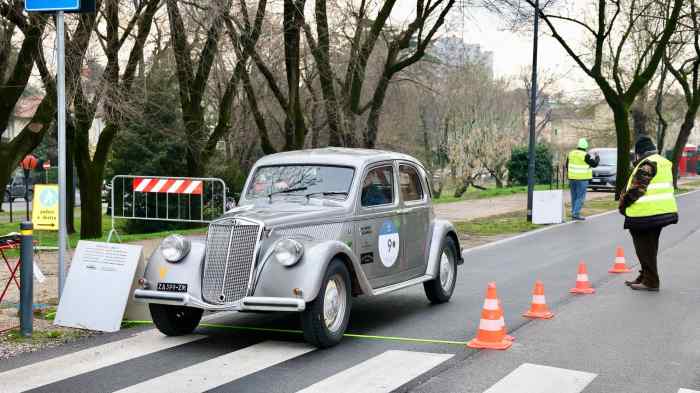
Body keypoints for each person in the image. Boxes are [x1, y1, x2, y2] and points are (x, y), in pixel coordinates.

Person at [618, 136, 678, 291]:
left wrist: (623, 206)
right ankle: (645, 275)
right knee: (649, 248)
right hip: (660, 211)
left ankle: (651, 281)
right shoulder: (662, 162)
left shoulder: (648, 164)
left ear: (640, 152)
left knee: (644, 249)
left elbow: (637, 189)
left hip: (645, 214)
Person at [566, 138, 600, 220]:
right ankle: (576, 214)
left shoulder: (571, 153)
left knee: (574, 196)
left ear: (578, 145)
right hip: (582, 179)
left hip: (572, 178)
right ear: (586, 147)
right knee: (580, 197)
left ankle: (574, 212)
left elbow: (567, 165)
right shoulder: (585, 155)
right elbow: (594, 164)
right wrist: (597, 157)